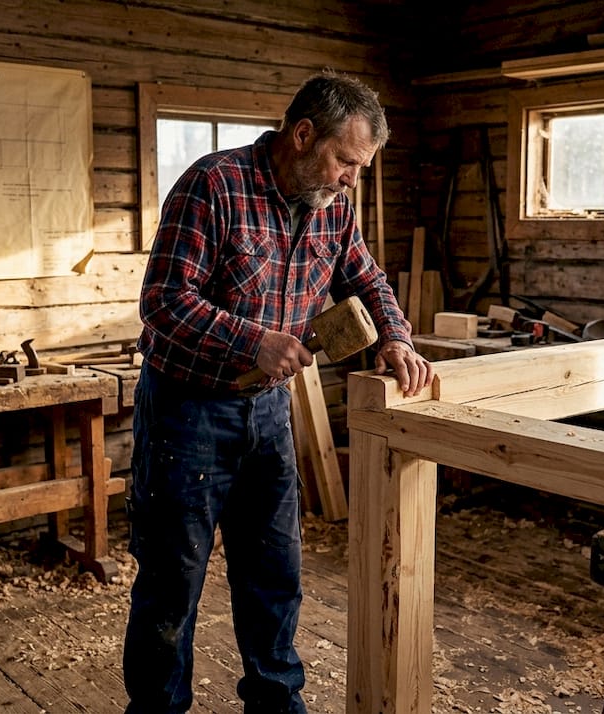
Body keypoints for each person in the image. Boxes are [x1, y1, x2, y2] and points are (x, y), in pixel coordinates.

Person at [123, 70, 434, 713]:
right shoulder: (214, 186)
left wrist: (396, 337)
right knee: (171, 584)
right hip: (189, 409)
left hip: (267, 412)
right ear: (301, 135)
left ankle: (275, 704)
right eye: (346, 161)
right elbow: (162, 303)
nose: (352, 178)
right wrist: (252, 341)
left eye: (361, 167)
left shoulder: (333, 209)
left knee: (274, 574)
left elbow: (367, 280)